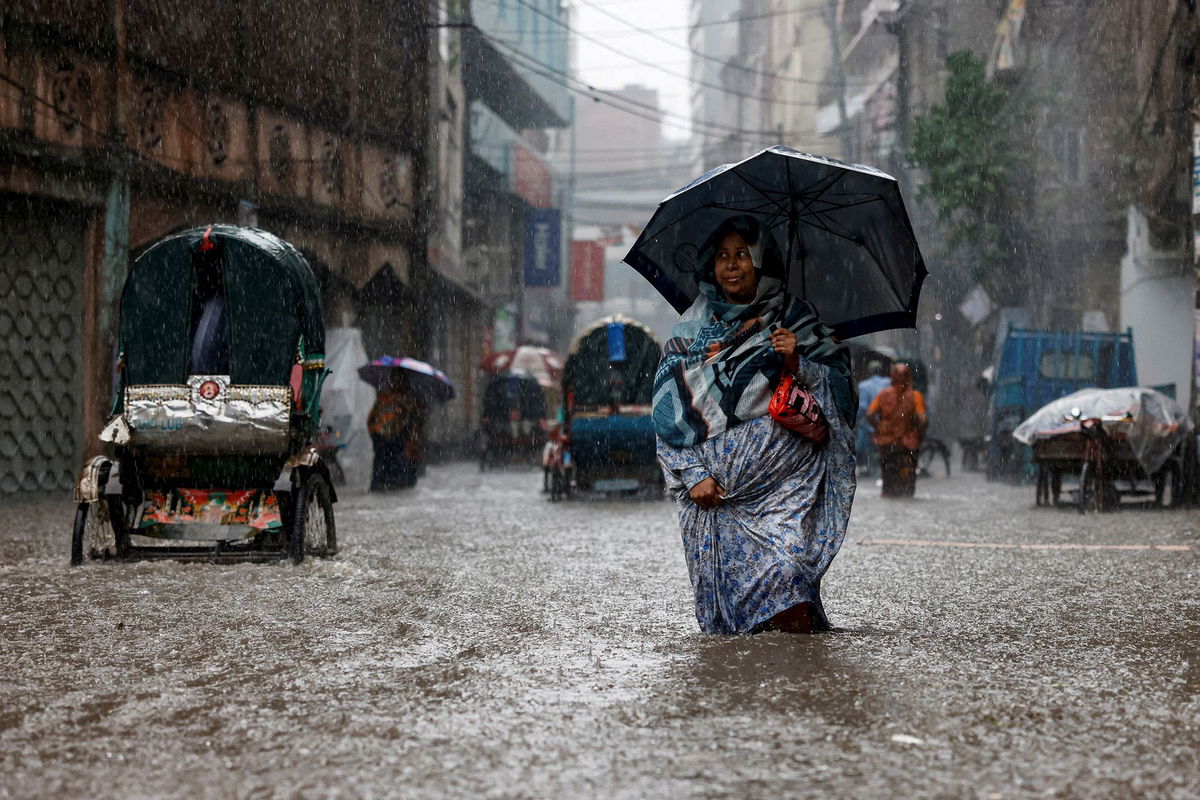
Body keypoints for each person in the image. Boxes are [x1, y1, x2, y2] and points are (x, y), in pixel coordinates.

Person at [653, 215, 857, 635]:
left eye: (743, 255)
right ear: (711, 264)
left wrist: (799, 362)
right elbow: (667, 412)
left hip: (785, 490)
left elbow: (842, 392)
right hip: (712, 498)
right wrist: (694, 475)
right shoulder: (690, 329)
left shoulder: (796, 318)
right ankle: (746, 693)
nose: (731, 265)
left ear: (761, 262)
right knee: (732, 616)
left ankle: (794, 689)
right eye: (723, 256)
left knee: (787, 570)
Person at [866, 363, 927, 498]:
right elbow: (922, 419)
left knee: (888, 477)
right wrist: (919, 434)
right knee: (908, 477)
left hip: (887, 443)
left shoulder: (883, 395)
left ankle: (889, 494)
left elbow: (869, 414)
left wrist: (879, 428)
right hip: (908, 443)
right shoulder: (916, 396)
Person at [368, 372, 422, 491]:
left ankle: (393, 486)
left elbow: (413, 421)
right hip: (386, 442)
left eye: (400, 381)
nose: (397, 383)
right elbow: (372, 420)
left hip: (398, 443)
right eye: (395, 380)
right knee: (385, 473)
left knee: (398, 475)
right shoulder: (385, 398)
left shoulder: (407, 400)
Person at [855, 360, 891, 475]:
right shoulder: (889, 383)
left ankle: (864, 465)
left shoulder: (863, 386)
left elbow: (862, 408)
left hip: (870, 421)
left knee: (861, 442)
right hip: (887, 421)